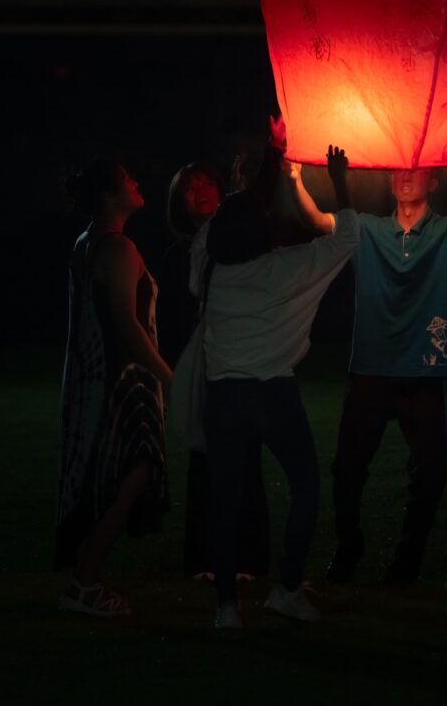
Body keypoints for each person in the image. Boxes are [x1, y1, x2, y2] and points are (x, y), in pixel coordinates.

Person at [192, 128, 358, 629]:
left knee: (224, 502)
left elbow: (217, 229)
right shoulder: (289, 267)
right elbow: (348, 237)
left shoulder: (209, 269)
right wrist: (339, 182)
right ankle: (286, 589)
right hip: (274, 395)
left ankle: (226, 608)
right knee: (305, 485)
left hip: (224, 397)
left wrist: (250, 181)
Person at [325, 152, 447, 586]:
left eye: (414, 169)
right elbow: (320, 221)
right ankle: (348, 546)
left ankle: (407, 559)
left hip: (422, 373)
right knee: (347, 469)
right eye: (397, 169)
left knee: (432, 473)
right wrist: (295, 179)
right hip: (371, 371)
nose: (403, 176)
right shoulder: (370, 229)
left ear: (433, 182)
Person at [54, 159, 173, 617]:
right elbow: (126, 324)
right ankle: (86, 584)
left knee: (105, 480)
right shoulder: (119, 250)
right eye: (128, 180)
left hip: (93, 379)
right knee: (130, 478)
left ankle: (84, 578)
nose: (138, 182)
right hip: (124, 386)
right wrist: (168, 376)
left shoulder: (86, 243)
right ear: (109, 196)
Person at [158, 159, 271, 583]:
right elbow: (171, 320)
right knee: (203, 463)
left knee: (246, 460)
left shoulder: (236, 243)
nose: (200, 191)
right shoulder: (176, 257)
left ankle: (250, 560)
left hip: (240, 362)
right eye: (189, 187)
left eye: (207, 182)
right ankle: (203, 560)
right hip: (199, 367)